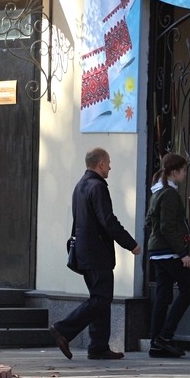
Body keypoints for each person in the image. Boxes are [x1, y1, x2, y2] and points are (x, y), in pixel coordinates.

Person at [49, 147, 141, 360]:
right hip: (97, 253)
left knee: (100, 298)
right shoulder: (98, 187)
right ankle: (63, 329)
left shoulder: (80, 185)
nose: (110, 167)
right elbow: (108, 221)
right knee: (101, 298)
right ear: (101, 164)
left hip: (84, 251)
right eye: (108, 163)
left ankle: (98, 347)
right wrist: (130, 244)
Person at [145, 153, 190, 358]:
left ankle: (156, 345)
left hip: (157, 252)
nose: (185, 174)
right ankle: (164, 337)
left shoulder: (157, 191)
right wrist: (182, 253)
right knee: (188, 289)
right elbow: (167, 227)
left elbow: (149, 221)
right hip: (168, 252)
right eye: (183, 170)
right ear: (174, 171)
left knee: (163, 296)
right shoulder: (170, 194)